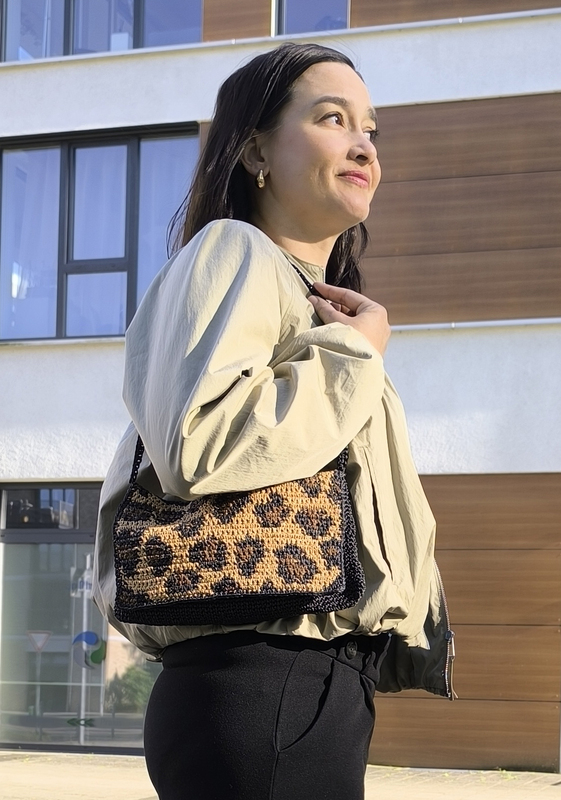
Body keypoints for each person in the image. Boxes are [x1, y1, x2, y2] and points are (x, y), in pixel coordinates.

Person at [93, 42, 454, 800]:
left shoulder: (310, 305)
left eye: (370, 129)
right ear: (255, 150)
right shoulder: (236, 250)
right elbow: (201, 443)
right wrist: (355, 353)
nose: (364, 145)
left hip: (300, 685)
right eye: (332, 119)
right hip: (262, 676)